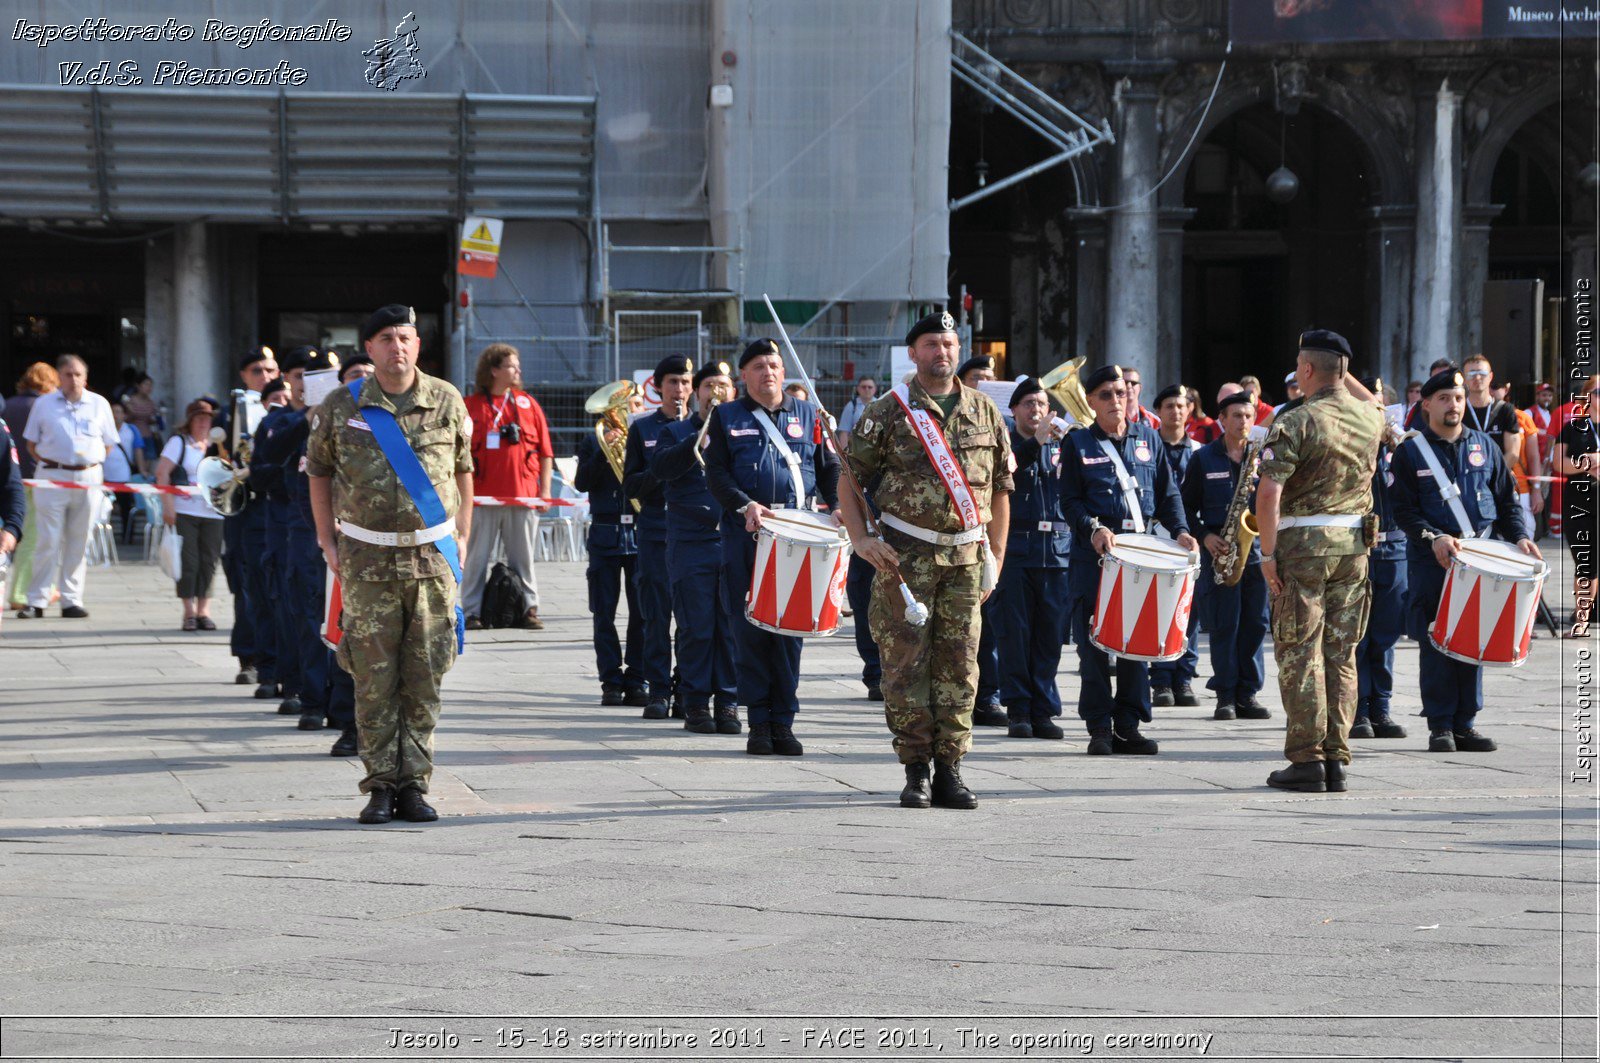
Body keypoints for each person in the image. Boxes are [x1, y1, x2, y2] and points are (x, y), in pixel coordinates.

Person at [306, 303, 474, 825]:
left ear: (417, 344)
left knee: (424, 676)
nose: (396, 346)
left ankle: (415, 785)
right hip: (367, 558)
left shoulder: (445, 399)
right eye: (385, 338)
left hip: (430, 559)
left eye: (405, 336)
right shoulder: (340, 405)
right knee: (373, 678)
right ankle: (379, 784)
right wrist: (325, 539)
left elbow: (465, 469)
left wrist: (463, 535)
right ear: (370, 348)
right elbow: (318, 472)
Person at [841, 312, 1012, 807]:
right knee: (904, 666)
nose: (943, 352)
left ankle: (951, 771)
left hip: (965, 561)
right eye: (932, 344)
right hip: (904, 561)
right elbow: (849, 484)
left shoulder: (984, 410)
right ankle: (915, 770)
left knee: (961, 667)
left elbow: (1001, 490)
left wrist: (995, 557)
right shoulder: (886, 411)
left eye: (950, 343)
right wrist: (860, 541)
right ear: (913, 353)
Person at [1255, 329, 1384, 793]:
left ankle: (1308, 758)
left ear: (1305, 370)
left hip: (1302, 551)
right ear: (1345, 372)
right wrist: (1344, 372)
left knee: (1300, 651)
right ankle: (1336, 756)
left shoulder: (1295, 421)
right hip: (1353, 550)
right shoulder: (1371, 419)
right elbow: (1376, 404)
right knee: (1341, 653)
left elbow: (1269, 492)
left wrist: (1266, 554)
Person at [1390, 367, 1541, 752]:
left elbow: (1507, 501)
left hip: (1480, 556)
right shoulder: (1410, 451)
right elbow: (1403, 510)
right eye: (1444, 398)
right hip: (1433, 560)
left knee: (1475, 638)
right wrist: (1434, 536)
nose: (1453, 404)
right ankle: (1440, 724)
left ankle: (1465, 723)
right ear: (1426, 405)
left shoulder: (1485, 446)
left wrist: (1521, 538)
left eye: (1457, 398)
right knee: (1439, 639)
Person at [704, 338, 840, 758]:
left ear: (785, 372)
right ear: (744, 376)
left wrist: (836, 505)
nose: (768, 373)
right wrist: (744, 504)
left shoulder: (808, 413)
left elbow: (828, 465)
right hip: (748, 535)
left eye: (775, 365)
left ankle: (784, 721)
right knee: (751, 628)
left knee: (791, 628)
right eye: (759, 366)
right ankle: (759, 721)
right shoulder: (726, 417)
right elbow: (717, 475)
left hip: (797, 534)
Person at [1061, 365, 1196, 755]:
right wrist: (1092, 528)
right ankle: (1100, 726)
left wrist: (1183, 530)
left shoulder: (1148, 438)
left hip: (1141, 551)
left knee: (1140, 642)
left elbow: (1168, 495)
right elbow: (1068, 501)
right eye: (1106, 394)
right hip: (1097, 556)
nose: (1116, 400)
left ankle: (1129, 725)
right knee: (1096, 645)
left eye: (1121, 393)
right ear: (1091, 402)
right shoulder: (1078, 444)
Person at [649, 360, 741, 735]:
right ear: (697, 393)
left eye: (724, 386)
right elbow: (662, 469)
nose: (717, 393)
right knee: (696, 626)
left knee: (730, 627)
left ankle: (729, 701)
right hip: (692, 542)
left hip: (733, 539)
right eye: (709, 387)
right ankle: (696, 702)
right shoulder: (674, 432)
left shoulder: (741, 430)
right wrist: (697, 439)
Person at [280, 349, 359, 753]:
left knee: (356, 630)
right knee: (316, 620)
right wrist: (308, 417)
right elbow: (274, 466)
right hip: (313, 537)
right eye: (352, 375)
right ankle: (314, 700)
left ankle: (349, 716)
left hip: (366, 541)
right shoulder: (312, 420)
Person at [988, 377, 1070, 740]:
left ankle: (1043, 708)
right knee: (1013, 634)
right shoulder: (1007, 443)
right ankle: (1018, 708)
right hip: (1017, 549)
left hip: (1056, 551)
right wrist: (1035, 443)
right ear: (1014, 410)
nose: (1035, 410)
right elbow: (1006, 471)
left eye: (1040, 404)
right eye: (1028, 405)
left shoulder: (1062, 445)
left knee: (1049, 636)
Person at [1183, 391, 1271, 721]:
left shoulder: (1264, 457)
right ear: (1222, 419)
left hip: (1256, 548)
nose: (1243, 422)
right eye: (1236, 416)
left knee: (1255, 622)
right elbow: (1185, 507)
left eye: (1248, 416)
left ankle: (1248, 692)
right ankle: (1225, 695)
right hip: (1220, 547)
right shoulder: (1204, 458)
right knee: (1223, 625)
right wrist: (1204, 536)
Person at [461, 343, 555, 630]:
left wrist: (545, 491)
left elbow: (545, 452)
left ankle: (529, 608)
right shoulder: (471, 405)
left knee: (524, 559)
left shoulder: (528, 404)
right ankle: (471, 611)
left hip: (522, 495)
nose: (518, 370)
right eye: (512, 366)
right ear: (494, 370)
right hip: (481, 498)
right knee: (476, 557)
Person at [18, 354, 118, 620]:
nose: (73, 379)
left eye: (77, 374)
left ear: (85, 378)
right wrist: (57, 462)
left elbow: (108, 443)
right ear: (59, 377)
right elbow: (31, 444)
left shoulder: (99, 404)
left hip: (88, 478)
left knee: (79, 540)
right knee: (47, 540)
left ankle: (71, 599)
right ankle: (36, 600)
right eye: (67, 374)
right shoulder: (44, 404)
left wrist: (86, 462)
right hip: (51, 476)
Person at [623, 355, 694, 719]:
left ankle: (686, 688)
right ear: (658, 387)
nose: (679, 390)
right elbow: (630, 484)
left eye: (684, 382)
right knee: (655, 615)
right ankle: (658, 690)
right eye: (672, 383)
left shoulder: (701, 427)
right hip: (654, 531)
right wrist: (661, 469)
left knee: (690, 617)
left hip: (691, 533)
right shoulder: (642, 428)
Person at [574, 386, 648, 707]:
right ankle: (610, 680)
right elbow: (581, 483)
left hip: (640, 535)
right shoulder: (595, 439)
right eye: (632, 403)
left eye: (639, 403)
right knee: (603, 611)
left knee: (642, 612)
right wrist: (606, 456)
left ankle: (636, 677)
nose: (635, 408)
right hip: (605, 533)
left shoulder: (645, 437)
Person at [252, 359, 316, 718]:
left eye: (316, 377)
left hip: (325, 523)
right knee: (290, 603)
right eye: (299, 377)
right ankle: (291, 682)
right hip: (285, 521)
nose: (307, 383)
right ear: (287, 382)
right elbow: (260, 472)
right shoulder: (277, 422)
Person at [1350, 376, 1408, 741]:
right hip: (1357, 547)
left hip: (1394, 546)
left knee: (1386, 635)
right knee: (1357, 635)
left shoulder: (1404, 451)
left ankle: (1380, 708)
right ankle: (1356, 710)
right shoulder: (1353, 447)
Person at [221, 347, 279, 693]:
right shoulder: (229, 412)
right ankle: (249, 656)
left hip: (275, 505)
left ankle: (274, 655)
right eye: (257, 370)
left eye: (271, 369)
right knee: (246, 585)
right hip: (245, 506)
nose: (265, 375)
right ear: (244, 375)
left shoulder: (285, 408)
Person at [1148, 384, 1203, 709]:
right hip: (1157, 534)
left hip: (1189, 537)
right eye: (1169, 405)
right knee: (1158, 609)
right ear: (1158, 411)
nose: (1176, 411)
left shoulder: (1198, 450)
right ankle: (1161, 679)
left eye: (1182, 406)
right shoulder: (1149, 446)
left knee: (1187, 611)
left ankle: (1184, 677)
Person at [157, 400, 225, 630]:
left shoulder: (217, 445)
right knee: (189, 561)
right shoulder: (179, 443)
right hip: (185, 509)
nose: (204, 422)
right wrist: (168, 506)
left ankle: (203, 610)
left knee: (209, 561)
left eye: (207, 418)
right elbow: (162, 473)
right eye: (199, 418)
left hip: (213, 512)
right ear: (190, 421)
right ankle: (188, 611)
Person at [4, 362, 59, 610]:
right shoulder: (45, 407)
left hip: (12, 477)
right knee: (32, 538)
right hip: (34, 478)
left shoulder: (10, 404)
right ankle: (20, 593)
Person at [1549, 375, 1599, 631]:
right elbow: (1558, 463)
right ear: (1588, 396)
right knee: (1585, 561)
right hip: (1579, 501)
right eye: (1598, 392)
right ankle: (1582, 619)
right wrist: (1587, 463)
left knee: (1595, 560)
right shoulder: (1573, 427)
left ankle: (1585, 616)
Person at [1492, 381, 1544, 536]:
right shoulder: (1470, 415)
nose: (1490, 390)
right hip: (1486, 489)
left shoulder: (1523, 417)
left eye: (1495, 386)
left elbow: (1534, 457)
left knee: (1524, 538)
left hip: (1520, 489)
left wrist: (1536, 489)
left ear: (1506, 388)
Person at [1461, 354, 1521, 470]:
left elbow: (1513, 453)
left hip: (1497, 479)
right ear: (1464, 378)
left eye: (1482, 373)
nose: (1477, 378)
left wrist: (1492, 475)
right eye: (1471, 374)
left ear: (1490, 376)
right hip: (1466, 478)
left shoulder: (1505, 410)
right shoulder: (1459, 410)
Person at [103, 402, 148, 543]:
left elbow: (138, 449)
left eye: (118, 412)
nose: (115, 415)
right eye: (113, 411)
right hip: (104, 476)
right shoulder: (103, 428)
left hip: (124, 476)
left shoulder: (131, 430)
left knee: (126, 508)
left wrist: (142, 470)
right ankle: (104, 538)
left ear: (124, 415)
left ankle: (127, 538)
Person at [836, 377, 878, 442]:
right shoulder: (851, 406)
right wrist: (844, 451)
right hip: (855, 450)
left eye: (870, 387)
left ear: (875, 389)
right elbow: (844, 433)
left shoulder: (880, 405)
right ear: (858, 389)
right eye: (863, 387)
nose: (867, 389)